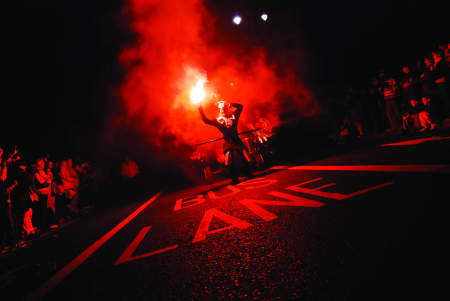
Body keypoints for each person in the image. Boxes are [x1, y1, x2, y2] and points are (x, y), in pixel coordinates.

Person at [198, 101, 253, 184]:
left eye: (224, 110)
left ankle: (249, 174)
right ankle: (234, 179)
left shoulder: (234, 118)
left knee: (246, 157)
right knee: (228, 161)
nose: (222, 111)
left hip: (236, 141)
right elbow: (206, 120)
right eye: (220, 110)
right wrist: (200, 108)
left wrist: (228, 104)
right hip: (228, 143)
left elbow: (240, 106)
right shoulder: (219, 123)